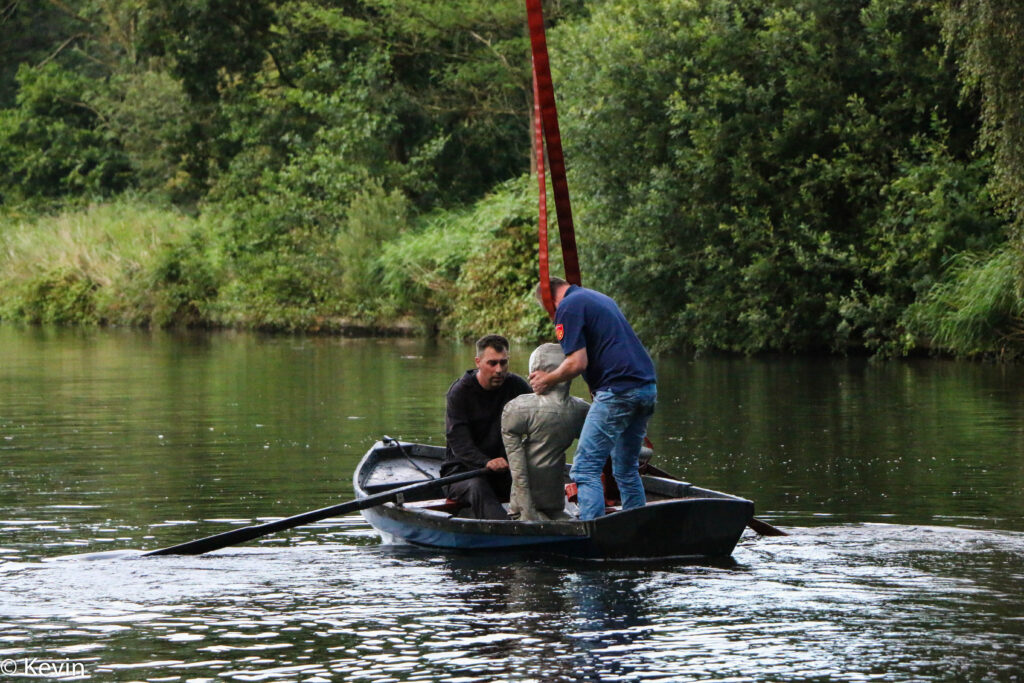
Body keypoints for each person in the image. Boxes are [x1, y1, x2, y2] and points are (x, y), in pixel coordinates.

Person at [528, 277, 657, 520]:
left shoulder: (567, 307)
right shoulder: (597, 298)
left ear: (548, 300)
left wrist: (548, 379)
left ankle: (593, 530)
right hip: (646, 389)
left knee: (585, 468)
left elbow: (577, 362)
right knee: (626, 468)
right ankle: (638, 527)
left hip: (617, 392)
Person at [442, 334, 532, 519]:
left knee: (538, 477)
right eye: (492, 363)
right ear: (478, 362)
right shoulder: (459, 393)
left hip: (505, 470)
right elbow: (459, 442)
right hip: (463, 472)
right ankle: (505, 529)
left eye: (503, 363)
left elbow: (537, 418)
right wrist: (486, 462)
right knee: (478, 486)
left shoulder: (517, 386)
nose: (499, 370)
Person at [501, 343, 590, 521]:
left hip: (543, 504)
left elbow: (518, 470)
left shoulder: (518, 408)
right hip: (548, 503)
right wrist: (528, 514)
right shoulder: (581, 410)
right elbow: (609, 444)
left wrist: (526, 511)